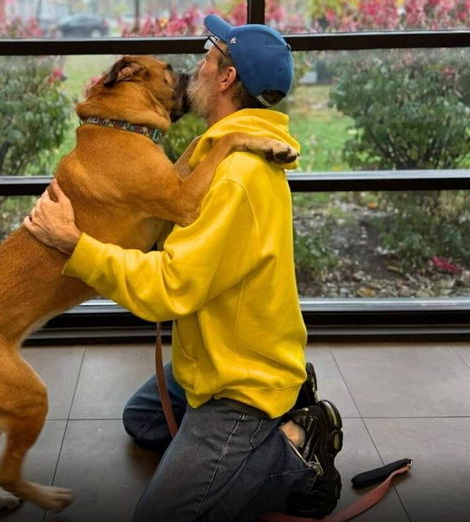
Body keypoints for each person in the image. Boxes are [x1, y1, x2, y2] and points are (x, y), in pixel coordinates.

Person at [24, 14, 342, 522]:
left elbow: (169, 289)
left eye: (209, 58)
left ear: (226, 78)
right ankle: (242, 433)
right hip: (209, 359)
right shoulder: (218, 148)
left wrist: (75, 244)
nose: (196, 68)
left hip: (243, 384)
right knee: (143, 419)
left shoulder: (238, 176)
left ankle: (297, 447)